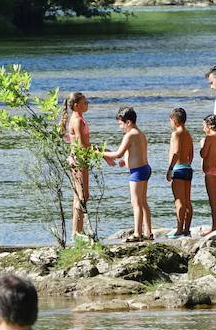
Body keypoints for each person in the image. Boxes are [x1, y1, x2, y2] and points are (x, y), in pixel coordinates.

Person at [100, 107, 152, 241]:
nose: (120, 127)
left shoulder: (129, 135)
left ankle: (137, 234)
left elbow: (118, 154)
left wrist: (100, 153)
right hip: (145, 168)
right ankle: (148, 232)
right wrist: (126, 162)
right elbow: (137, 152)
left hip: (137, 172)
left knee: (136, 203)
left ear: (128, 122)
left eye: (121, 124)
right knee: (143, 202)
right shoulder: (140, 133)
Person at [60, 92, 91, 239]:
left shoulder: (77, 118)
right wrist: (101, 152)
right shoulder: (77, 120)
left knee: (78, 196)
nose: (87, 104)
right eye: (85, 102)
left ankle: (77, 232)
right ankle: (77, 233)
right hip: (79, 159)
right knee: (82, 196)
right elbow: (81, 145)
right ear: (76, 105)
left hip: (76, 158)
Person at [165, 107, 195, 237]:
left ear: (175, 121)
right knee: (187, 201)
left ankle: (179, 229)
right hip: (187, 168)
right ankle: (187, 229)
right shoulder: (188, 134)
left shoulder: (176, 134)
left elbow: (176, 152)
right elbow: (192, 154)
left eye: (171, 120)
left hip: (178, 169)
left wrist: (170, 168)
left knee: (179, 201)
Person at [198, 114, 216, 235]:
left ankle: (215, 226)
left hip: (211, 172)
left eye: (204, 125)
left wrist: (202, 144)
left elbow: (203, 154)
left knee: (213, 201)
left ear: (210, 126)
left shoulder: (209, 137)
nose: (203, 128)